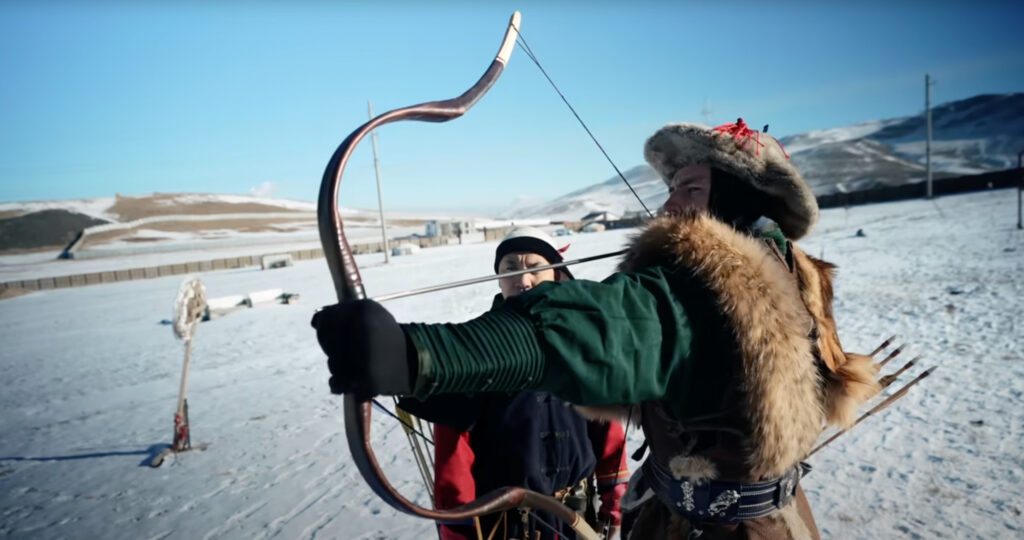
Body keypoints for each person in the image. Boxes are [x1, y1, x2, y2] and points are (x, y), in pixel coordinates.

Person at [314, 119, 882, 539]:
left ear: (739, 201)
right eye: (672, 188)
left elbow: (593, 329)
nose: (668, 206)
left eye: (691, 189)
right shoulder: (790, 273)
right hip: (767, 516)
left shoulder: (712, 292)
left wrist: (414, 355)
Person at [398, 226, 629, 540]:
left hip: (578, 519)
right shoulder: (474, 350)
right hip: (506, 525)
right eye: (510, 269)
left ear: (557, 275)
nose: (523, 280)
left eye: (535, 268)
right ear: (498, 278)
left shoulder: (582, 345)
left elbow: (609, 437)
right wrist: (459, 533)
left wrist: (615, 507)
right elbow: (453, 463)